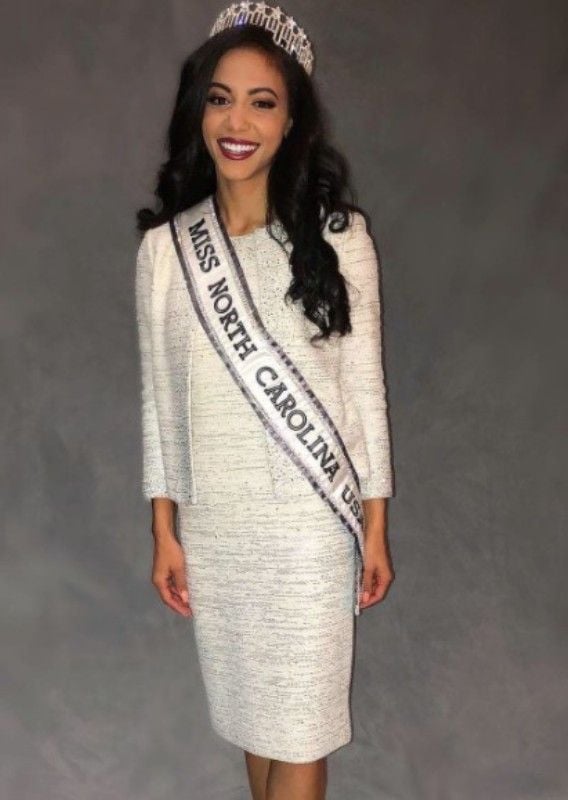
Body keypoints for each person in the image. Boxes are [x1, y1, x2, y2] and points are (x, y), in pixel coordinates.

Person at [134, 3, 395, 798]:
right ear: (199, 112)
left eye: (262, 101)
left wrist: (376, 526)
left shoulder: (338, 237)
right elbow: (158, 403)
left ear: (291, 123)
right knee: (256, 724)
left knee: (302, 727)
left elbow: (365, 392)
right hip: (218, 532)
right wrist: (164, 530)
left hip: (311, 529)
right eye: (220, 98)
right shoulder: (168, 253)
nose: (237, 120)